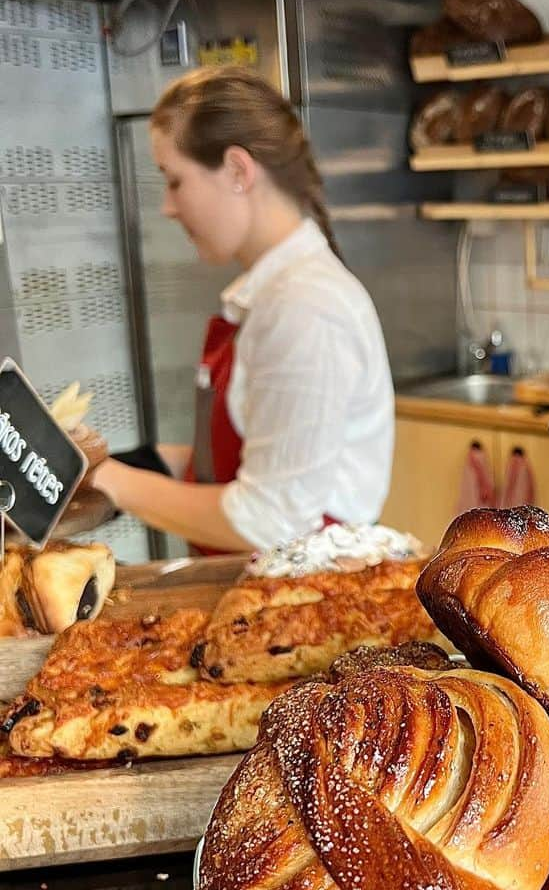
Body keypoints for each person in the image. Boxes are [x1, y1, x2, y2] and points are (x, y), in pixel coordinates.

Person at [90, 66, 394, 551]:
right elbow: (249, 462)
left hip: (305, 611)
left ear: (237, 170)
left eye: (174, 181)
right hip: (257, 598)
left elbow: (271, 519)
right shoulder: (272, 297)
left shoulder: (305, 308)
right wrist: (116, 467)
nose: (168, 207)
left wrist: (113, 482)